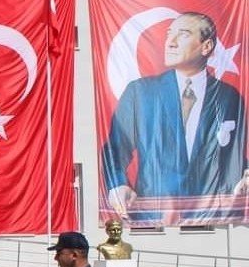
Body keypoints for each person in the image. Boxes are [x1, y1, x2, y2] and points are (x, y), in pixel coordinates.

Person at [103, 12, 249, 218]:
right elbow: (116, 150)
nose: (170, 42)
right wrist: (118, 185)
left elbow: (233, 155)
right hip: (155, 216)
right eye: (169, 34)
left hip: (212, 216)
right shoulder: (141, 93)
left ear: (206, 47)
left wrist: (245, 175)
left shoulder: (228, 97)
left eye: (183, 34)